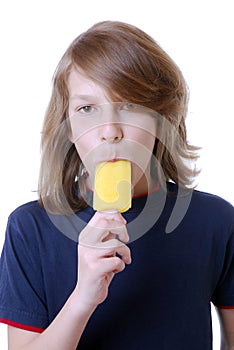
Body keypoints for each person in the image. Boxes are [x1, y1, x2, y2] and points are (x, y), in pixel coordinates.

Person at [0, 20, 233, 350]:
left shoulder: (217, 221)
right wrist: (84, 296)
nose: (110, 131)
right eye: (87, 108)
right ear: (67, 128)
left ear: (161, 119)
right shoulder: (30, 228)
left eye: (129, 106)